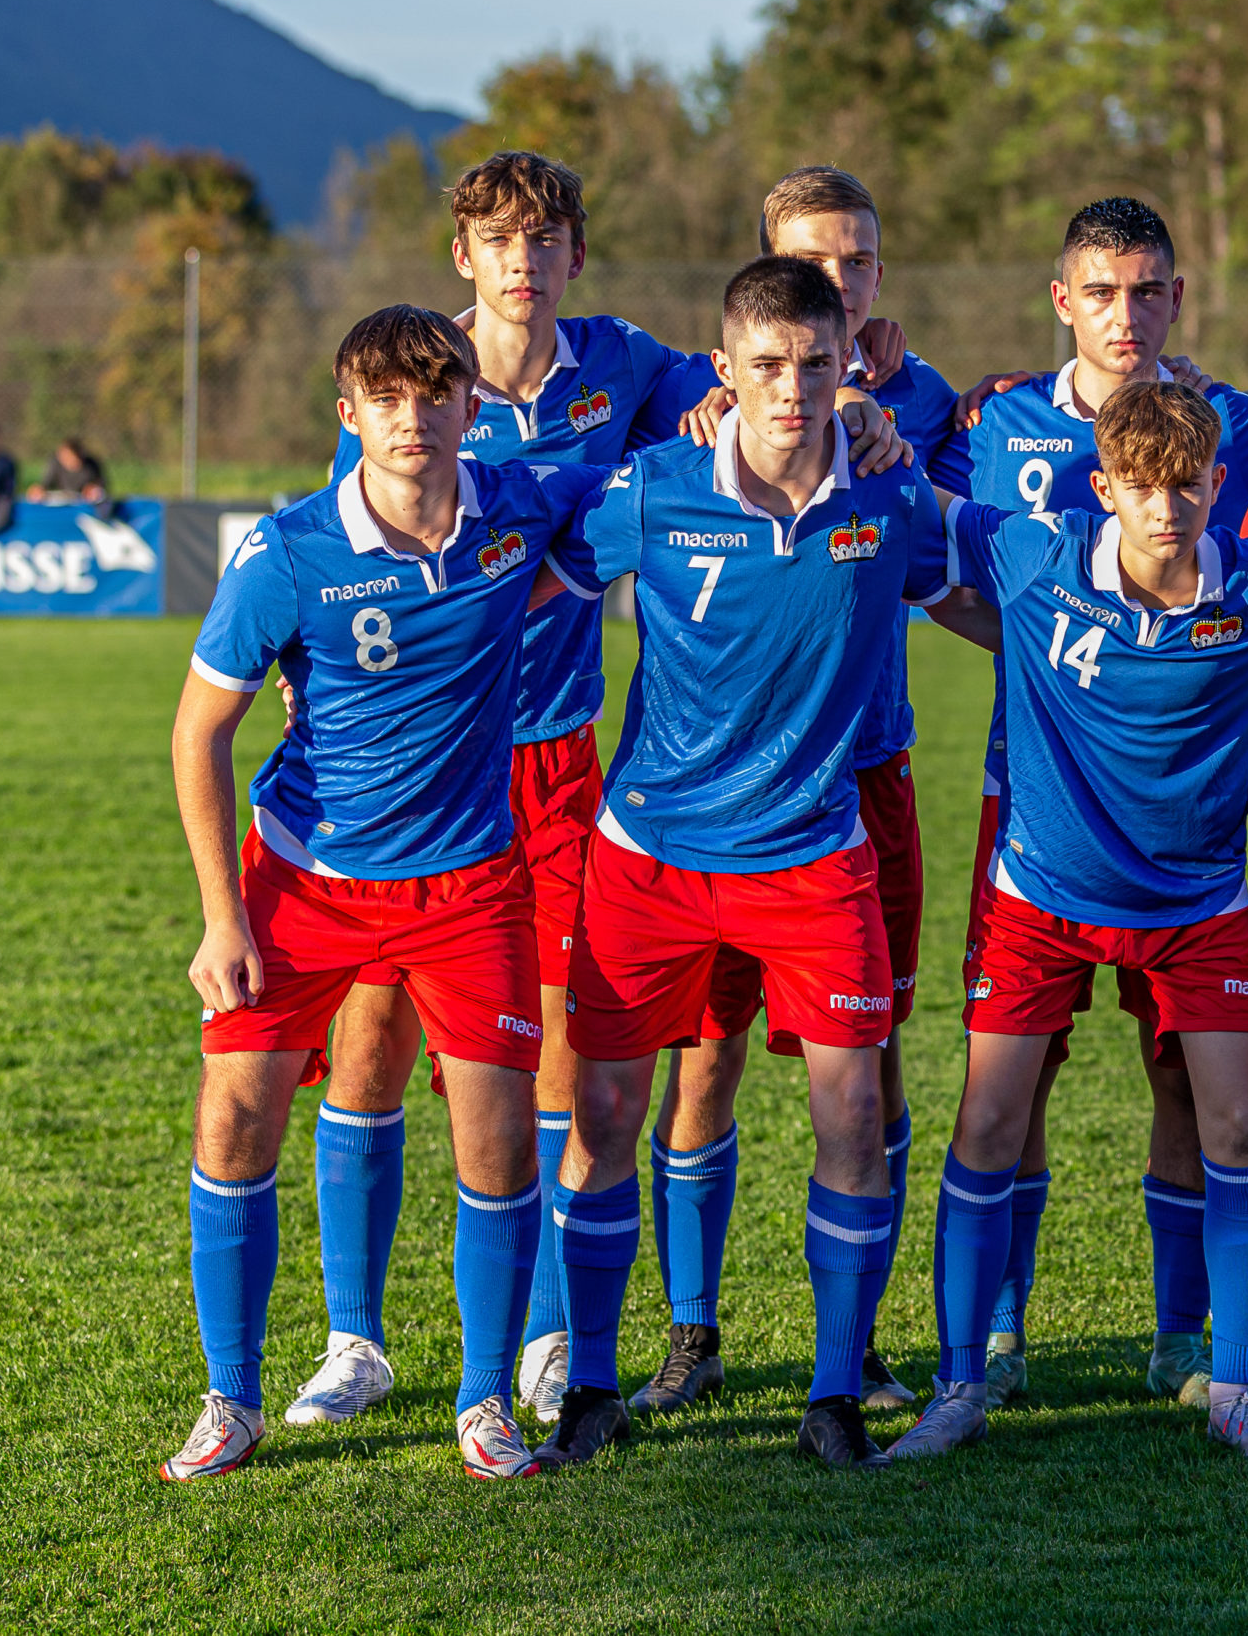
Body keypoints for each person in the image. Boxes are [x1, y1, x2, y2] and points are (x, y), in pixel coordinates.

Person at [282, 151, 904, 1433]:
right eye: (499, 238)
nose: (523, 260)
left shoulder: (628, 365)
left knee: (568, 1055)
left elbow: (773, 374)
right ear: (463, 256)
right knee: (373, 1031)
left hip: (561, 756)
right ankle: (354, 1338)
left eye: (545, 236)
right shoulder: (414, 378)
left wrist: (865, 403)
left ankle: (558, 1340)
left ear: (575, 252)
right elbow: (346, 543)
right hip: (423, 755)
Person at [891, 380, 1248, 1465]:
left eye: (1188, 486)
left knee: (1238, 1130)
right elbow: (916, 514)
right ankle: (959, 1386)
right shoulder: (1035, 553)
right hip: (1040, 900)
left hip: (1198, 905)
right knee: (987, 1124)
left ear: (1220, 484)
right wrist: (865, 420)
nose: (1167, 509)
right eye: (1143, 487)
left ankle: (1235, 1389)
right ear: (1105, 487)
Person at [164, 304, 608, 1480]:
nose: (413, 416)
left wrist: (742, 411)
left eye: (435, 392)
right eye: (386, 397)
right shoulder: (287, 552)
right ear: (348, 414)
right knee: (234, 1116)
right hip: (304, 882)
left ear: (471, 404)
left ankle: (485, 1401)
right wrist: (220, 915)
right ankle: (231, 1399)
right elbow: (199, 732)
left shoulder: (521, 509)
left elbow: (657, 487)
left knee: (499, 1140)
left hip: (471, 887)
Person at [530, 257, 948, 1472]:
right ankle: (590, 1385)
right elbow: (536, 589)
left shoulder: (890, 493)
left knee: (854, 1110)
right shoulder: (654, 489)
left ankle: (835, 1393)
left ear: (846, 363)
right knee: (606, 1112)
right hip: (651, 855)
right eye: (766, 365)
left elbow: (992, 592)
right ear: (724, 370)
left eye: (815, 364)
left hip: (815, 852)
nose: (791, 389)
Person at [949, 196, 1248, 1411]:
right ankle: (991, 1337)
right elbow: (919, 544)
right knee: (1014, 1084)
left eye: (1149, 291)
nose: (1127, 315)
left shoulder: (1229, 423)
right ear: (1062, 301)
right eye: (1103, 292)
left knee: (1189, 1081)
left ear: (1178, 298)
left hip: (1187, 834)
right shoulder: (995, 421)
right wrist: (1044, 645)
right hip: (1032, 802)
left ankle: (1187, 1339)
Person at [638, 165, 992, 1421]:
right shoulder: (707, 404)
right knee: (705, 1061)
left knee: (869, 1069)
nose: (836, 282)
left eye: (857, 262)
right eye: (810, 261)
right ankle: (691, 1332)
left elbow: (963, 540)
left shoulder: (924, 400)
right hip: (716, 794)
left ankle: (863, 1340)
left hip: (863, 773)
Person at [31, 439, 110, 514]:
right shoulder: (55, 464)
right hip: (63, 501)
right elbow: (44, 484)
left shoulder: (90, 465)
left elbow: (102, 484)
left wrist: (93, 489)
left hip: (86, 504)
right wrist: (38, 490)